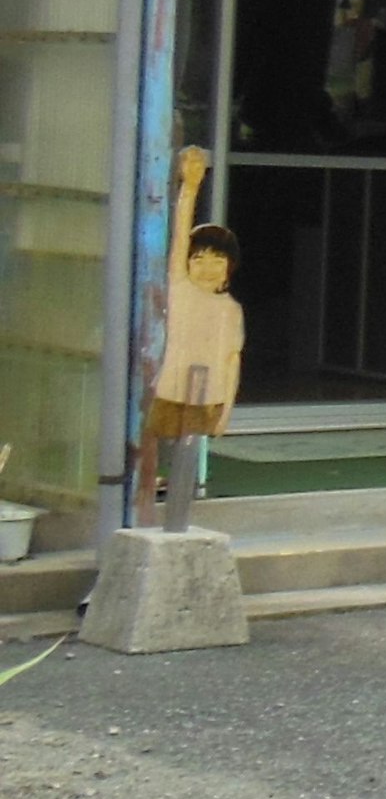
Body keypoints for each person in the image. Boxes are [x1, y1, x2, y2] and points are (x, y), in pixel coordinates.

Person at [139, 145, 243, 532]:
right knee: (155, 440)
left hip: (209, 392)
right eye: (199, 258)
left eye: (217, 259)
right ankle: (149, 496)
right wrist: (190, 187)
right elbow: (181, 232)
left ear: (230, 269)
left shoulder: (231, 310)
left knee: (190, 448)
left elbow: (233, 359)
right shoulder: (179, 288)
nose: (207, 266)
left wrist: (226, 410)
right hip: (170, 387)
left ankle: (181, 503)